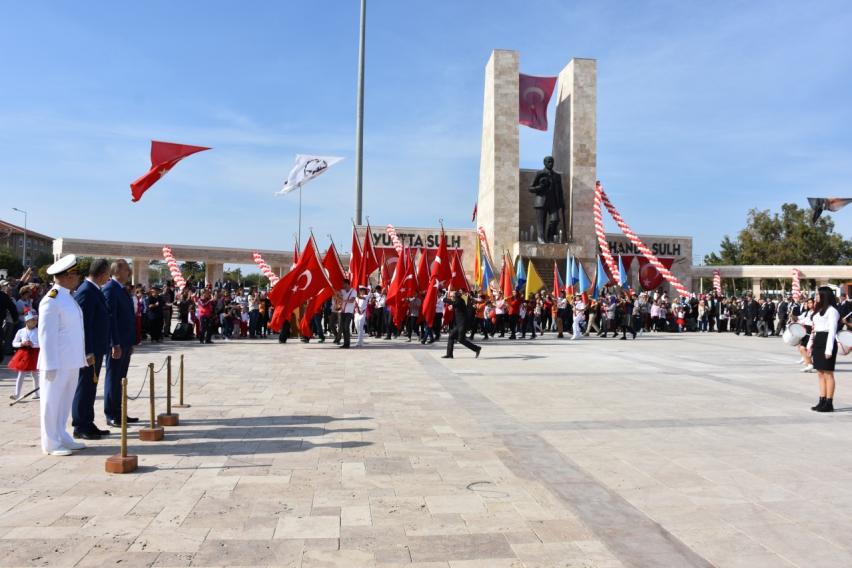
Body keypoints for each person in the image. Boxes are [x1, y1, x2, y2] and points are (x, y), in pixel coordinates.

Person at [37, 255, 88, 457]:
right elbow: (46, 335)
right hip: (56, 362)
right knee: (51, 402)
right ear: (67, 276)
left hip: (71, 359)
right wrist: (49, 363)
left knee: (64, 401)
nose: (78, 278)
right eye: (75, 274)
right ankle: (50, 442)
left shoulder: (67, 296)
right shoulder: (52, 299)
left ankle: (61, 434)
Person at [71, 259, 112, 440]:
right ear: (102, 273)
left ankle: (88, 421)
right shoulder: (86, 291)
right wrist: (86, 351)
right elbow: (83, 325)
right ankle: (80, 425)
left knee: (91, 387)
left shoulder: (94, 290)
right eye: (107, 274)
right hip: (90, 350)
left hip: (97, 348)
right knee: (85, 387)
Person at [102, 260, 139, 427]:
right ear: (116, 272)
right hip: (117, 343)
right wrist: (114, 343)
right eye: (126, 270)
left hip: (125, 341)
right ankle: (111, 414)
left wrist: (130, 341)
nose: (129, 272)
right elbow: (110, 319)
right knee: (113, 378)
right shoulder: (110, 289)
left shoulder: (121, 289)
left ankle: (120, 412)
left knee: (121, 379)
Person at [808, 287, 840, 412]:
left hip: (827, 340)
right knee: (820, 373)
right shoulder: (818, 310)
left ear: (824, 296)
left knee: (828, 373)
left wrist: (829, 349)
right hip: (818, 340)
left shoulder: (832, 311)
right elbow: (814, 328)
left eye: (817, 295)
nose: (815, 297)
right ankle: (822, 399)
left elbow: (832, 331)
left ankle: (829, 402)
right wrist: (810, 344)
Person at [8, 311, 39, 400]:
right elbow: (14, 343)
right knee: (21, 373)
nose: (35, 321)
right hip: (24, 354)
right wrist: (22, 343)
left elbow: (42, 343)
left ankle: (36, 393)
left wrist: (33, 345)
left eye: (36, 320)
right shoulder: (21, 331)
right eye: (32, 320)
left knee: (35, 374)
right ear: (27, 321)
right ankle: (17, 394)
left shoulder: (38, 331)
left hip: (35, 354)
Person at [442, 291, 481, 359]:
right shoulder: (458, 301)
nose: (451, 297)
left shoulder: (459, 300)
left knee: (461, 339)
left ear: (455, 296)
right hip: (459, 324)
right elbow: (453, 304)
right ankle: (449, 354)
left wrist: (444, 299)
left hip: (463, 324)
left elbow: (453, 303)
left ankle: (477, 348)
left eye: (451, 296)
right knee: (451, 336)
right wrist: (451, 305)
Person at [337, 279, 356, 349]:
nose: (343, 285)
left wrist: (344, 300)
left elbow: (352, 300)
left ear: (347, 284)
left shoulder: (353, 291)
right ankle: (345, 343)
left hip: (349, 312)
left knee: (346, 327)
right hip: (343, 312)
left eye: (344, 284)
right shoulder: (342, 291)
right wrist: (338, 296)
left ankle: (347, 343)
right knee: (342, 327)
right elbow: (337, 295)